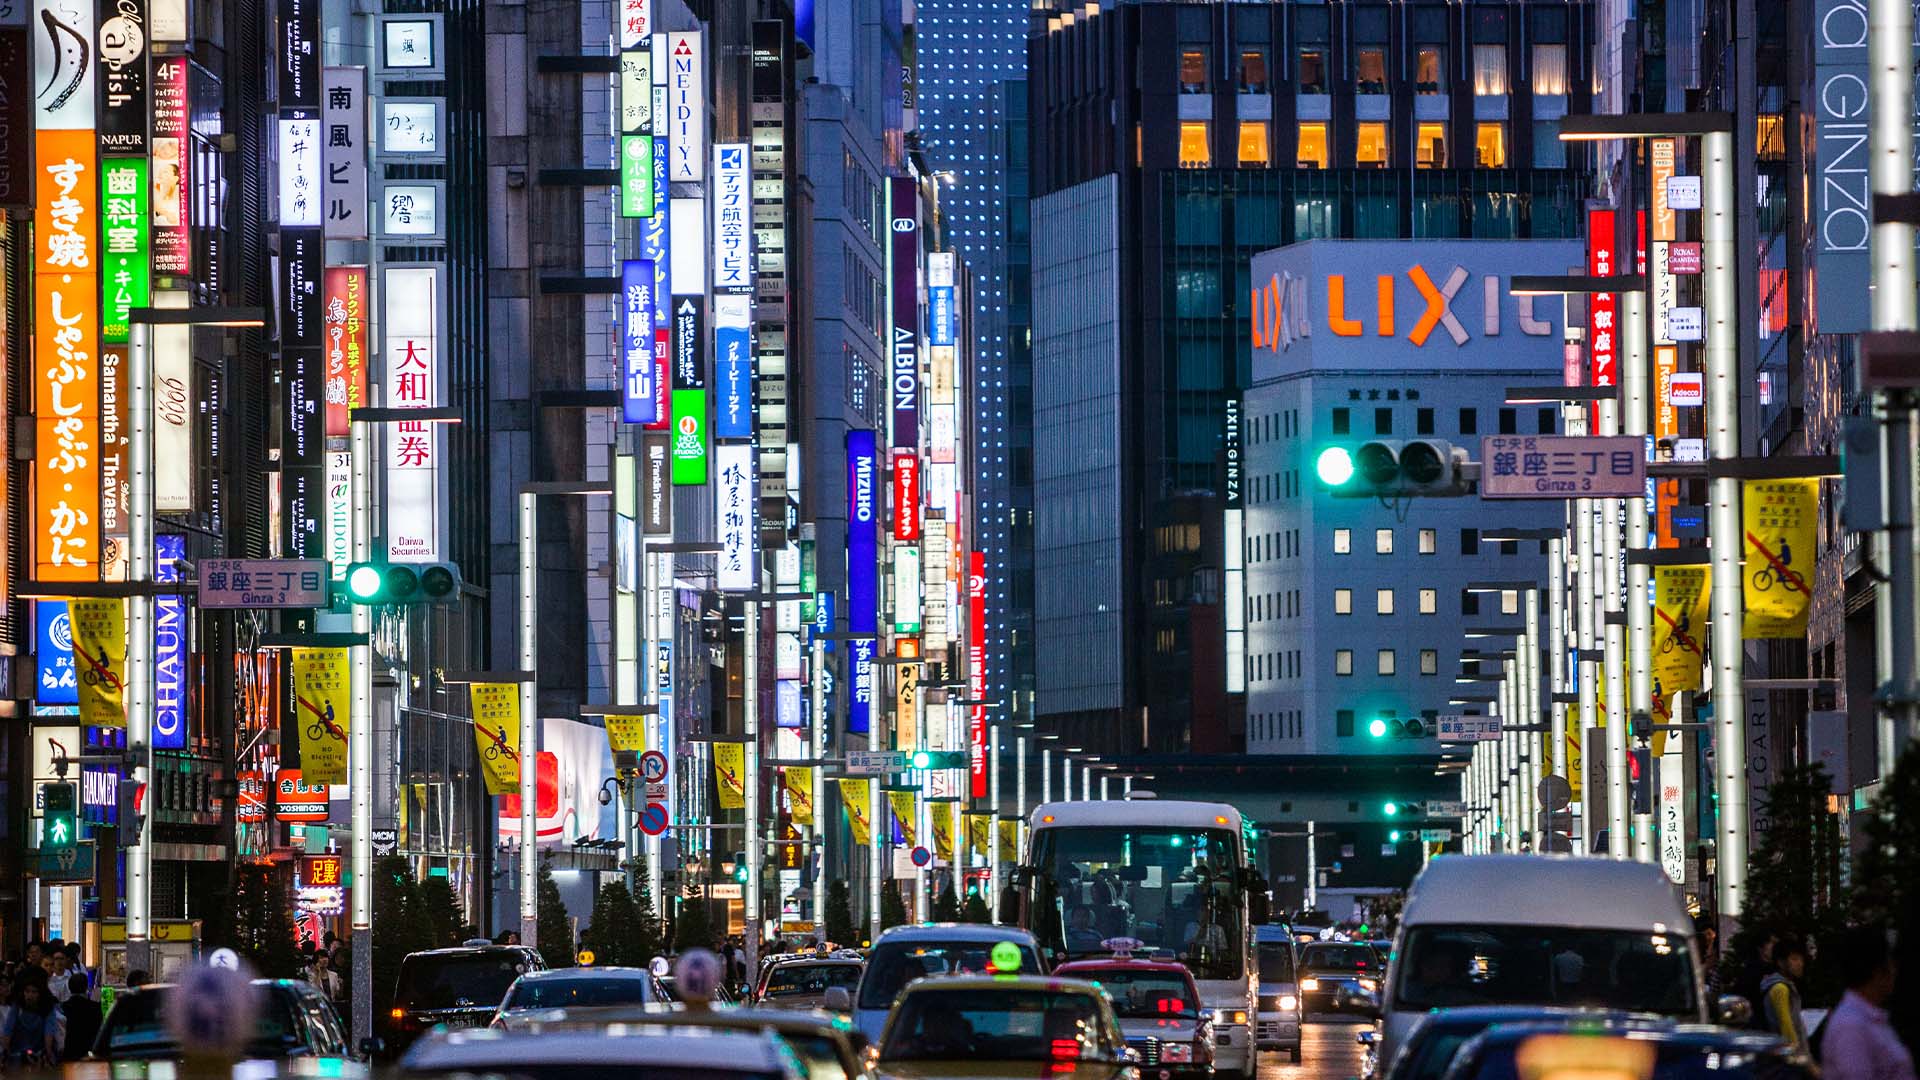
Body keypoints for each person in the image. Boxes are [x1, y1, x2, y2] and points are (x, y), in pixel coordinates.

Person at [1820, 925, 1914, 1080]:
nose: (1896, 971)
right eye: (1891, 963)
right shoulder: (1851, 1026)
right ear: (1879, 971)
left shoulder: (1869, 1017)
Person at [1761, 936, 1809, 1053]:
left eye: (1801, 959)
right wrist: (1800, 1058)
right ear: (1781, 963)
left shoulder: (1786, 986)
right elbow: (1786, 1027)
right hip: (1789, 1058)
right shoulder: (1780, 988)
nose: (1800, 964)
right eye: (1794, 959)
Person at [2, 978, 62, 1066]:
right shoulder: (17, 1006)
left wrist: (48, 1054)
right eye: (27, 991)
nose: (30, 995)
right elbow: (8, 1030)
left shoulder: (48, 1007)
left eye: (34, 992)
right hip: (17, 1054)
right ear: (23, 992)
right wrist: (5, 1056)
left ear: (40, 994)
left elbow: (48, 1033)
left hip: (39, 1053)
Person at [59, 976, 100, 1063]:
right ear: (86, 987)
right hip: (88, 1053)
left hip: (68, 1052)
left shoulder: (62, 1007)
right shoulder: (95, 1008)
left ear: (69, 988)